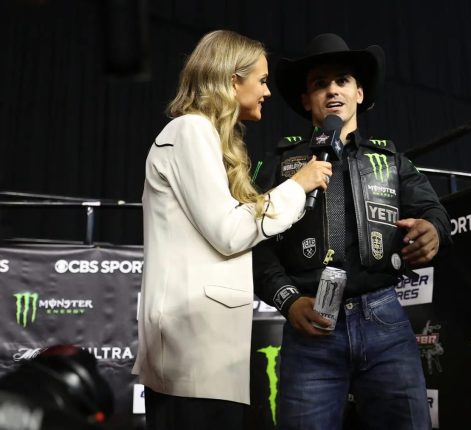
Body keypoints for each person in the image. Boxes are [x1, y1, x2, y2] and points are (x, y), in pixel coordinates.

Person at [132, 30, 333, 430]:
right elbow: (228, 232)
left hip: (207, 352)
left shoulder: (203, 135)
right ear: (231, 80)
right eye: (262, 80)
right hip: (192, 350)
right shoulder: (191, 130)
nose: (268, 91)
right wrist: (298, 186)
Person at [253, 33, 451, 430]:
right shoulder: (277, 164)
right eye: (319, 83)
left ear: (359, 93)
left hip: (384, 318)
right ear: (306, 100)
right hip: (311, 325)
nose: (332, 90)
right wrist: (289, 301)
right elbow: (253, 243)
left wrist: (433, 229)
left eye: (342, 80)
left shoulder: (390, 160)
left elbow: (434, 212)